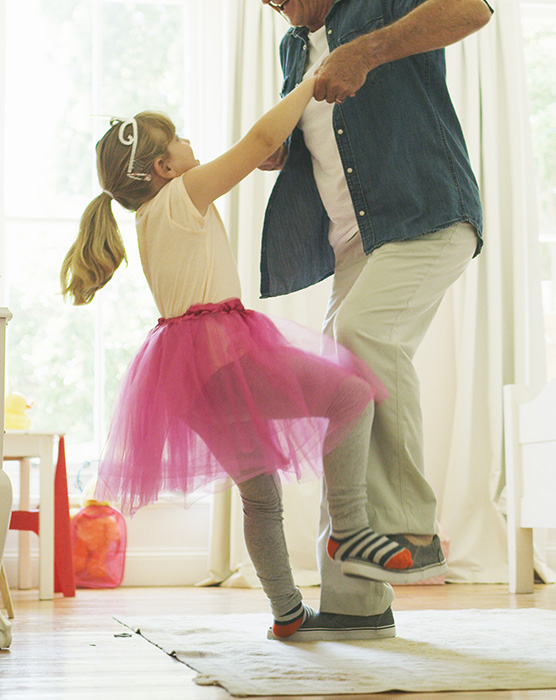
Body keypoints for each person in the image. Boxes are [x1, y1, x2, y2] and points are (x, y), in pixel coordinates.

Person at [59, 75, 439, 642]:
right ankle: (351, 530)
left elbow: (257, 153)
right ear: (163, 167)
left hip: (187, 377)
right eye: (180, 140)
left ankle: (287, 613)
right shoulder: (182, 194)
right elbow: (260, 139)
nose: (191, 145)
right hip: (220, 353)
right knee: (351, 394)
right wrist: (312, 83)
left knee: (260, 496)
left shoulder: (147, 216)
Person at [256, 0, 493, 641]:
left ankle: (405, 532)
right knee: (341, 387)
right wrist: (279, 151)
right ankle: (353, 604)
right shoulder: (292, 49)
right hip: (355, 240)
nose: (275, 7)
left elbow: (472, 10)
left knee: (362, 337)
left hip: (425, 215)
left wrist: (366, 50)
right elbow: (315, 131)